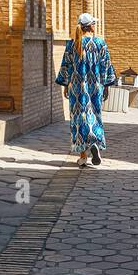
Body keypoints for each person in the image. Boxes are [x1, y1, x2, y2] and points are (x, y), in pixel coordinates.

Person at [55, 12, 116, 168]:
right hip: (95, 87)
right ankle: (94, 142)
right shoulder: (100, 43)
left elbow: (66, 66)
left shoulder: (72, 44)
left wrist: (65, 84)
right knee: (95, 115)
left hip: (77, 88)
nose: (96, 26)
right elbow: (106, 66)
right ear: (90, 26)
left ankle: (83, 156)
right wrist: (107, 85)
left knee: (79, 119)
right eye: (94, 23)